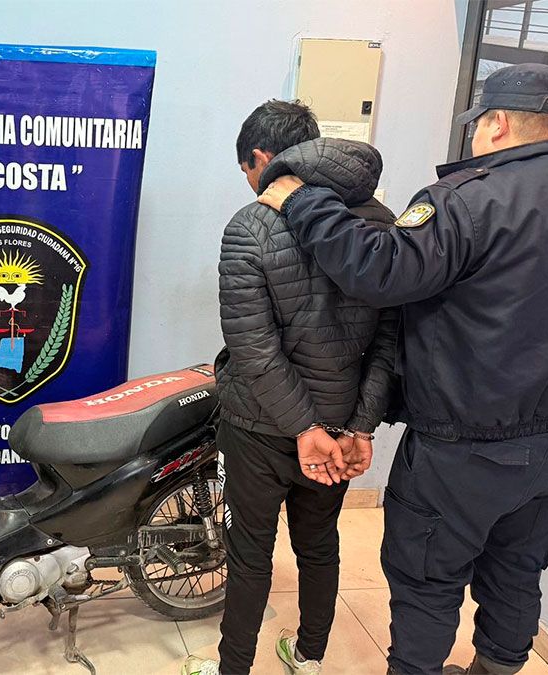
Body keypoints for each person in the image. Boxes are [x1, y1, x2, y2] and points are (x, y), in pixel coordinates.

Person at [258, 64, 548, 675]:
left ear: (497, 125)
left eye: (478, 125)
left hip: (467, 450)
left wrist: (301, 199)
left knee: (426, 579)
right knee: (518, 570)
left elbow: (378, 271)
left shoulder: (470, 201)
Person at [183, 100, 399, 675]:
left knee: (250, 554)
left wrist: (302, 429)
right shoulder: (382, 223)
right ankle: (309, 657)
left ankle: (234, 669)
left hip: (260, 427)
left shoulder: (250, 225)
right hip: (338, 429)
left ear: (261, 158)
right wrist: (359, 427)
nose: (249, 183)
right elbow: (390, 342)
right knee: (319, 544)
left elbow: (253, 349)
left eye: (246, 170)